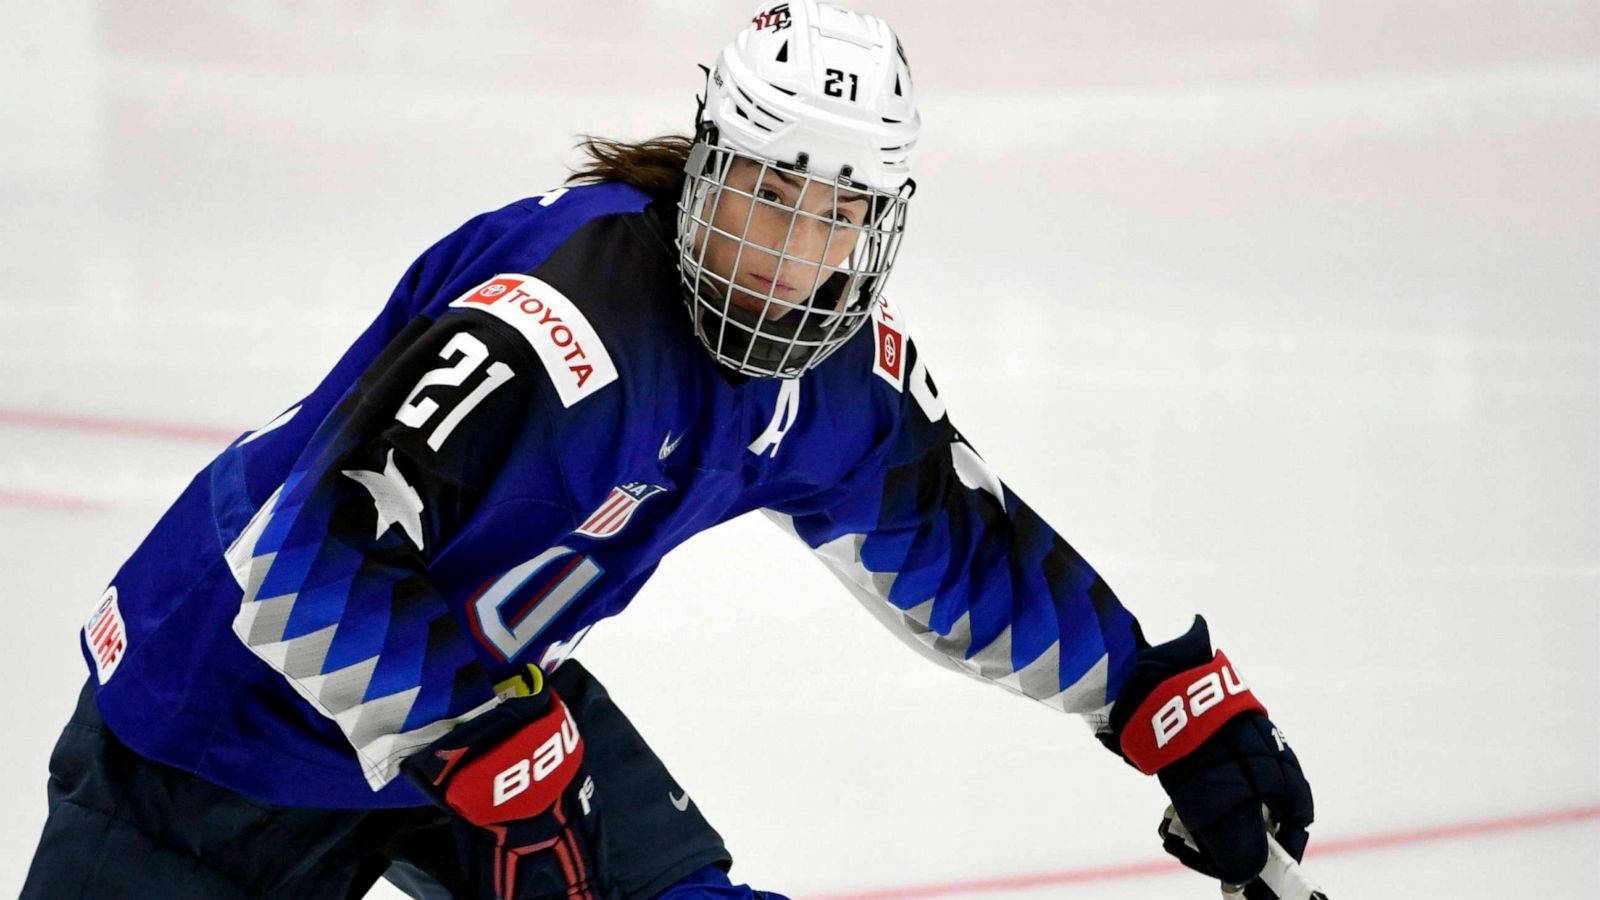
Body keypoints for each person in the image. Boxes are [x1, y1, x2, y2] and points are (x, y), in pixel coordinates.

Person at [24, 2, 1314, 898]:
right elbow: (309, 561)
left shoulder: (834, 376)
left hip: (490, 699)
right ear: (708, 163)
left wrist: (1155, 699)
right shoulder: (560, 318)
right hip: (216, 723)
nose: (788, 251)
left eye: (834, 211)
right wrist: (481, 745)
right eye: (767, 191)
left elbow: (958, 544)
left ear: (879, 223)